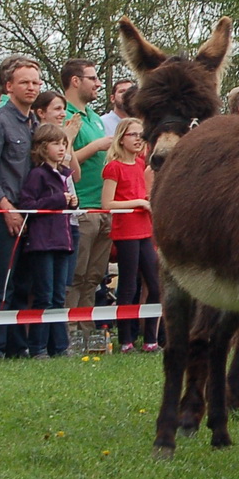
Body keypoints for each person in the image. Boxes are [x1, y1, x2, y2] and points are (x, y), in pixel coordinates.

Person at [0, 57, 43, 358]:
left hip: (32, 215)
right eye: (25, 82)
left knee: (23, 285)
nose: (31, 87)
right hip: (2, 215)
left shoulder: (36, 124)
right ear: (9, 86)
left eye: (35, 82)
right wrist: (7, 208)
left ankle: (17, 346)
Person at [62, 59, 112, 354]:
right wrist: (96, 146)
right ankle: (68, 333)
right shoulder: (66, 116)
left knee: (94, 276)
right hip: (80, 207)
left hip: (103, 208)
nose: (97, 83)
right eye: (92, 78)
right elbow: (63, 159)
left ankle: (87, 332)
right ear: (75, 81)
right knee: (76, 275)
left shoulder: (92, 116)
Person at [19, 123, 78, 358]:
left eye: (64, 143)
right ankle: (38, 347)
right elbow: (28, 205)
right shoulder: (37, 175)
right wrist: (57, 200)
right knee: (44, 296)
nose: (61, 148)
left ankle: (60, 346)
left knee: (58, 296)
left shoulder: (64, 174)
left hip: (63, 241)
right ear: (43, 148)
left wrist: (73, 202)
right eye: (56, 144)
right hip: (43, 242)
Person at [102, 117, 158, 352]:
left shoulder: (140, 164)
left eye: (140, 134)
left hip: (145, 230)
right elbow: (107, 203)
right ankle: (125, 340)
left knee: (155, 285)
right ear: (121, 138)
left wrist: (146, 201)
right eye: (133, 134)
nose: (138, 139)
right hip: (126, 232)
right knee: (127, 287)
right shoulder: (113, 167)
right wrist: (137, 202)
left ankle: (150, 339)